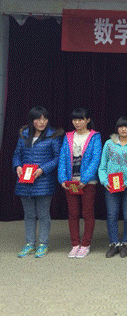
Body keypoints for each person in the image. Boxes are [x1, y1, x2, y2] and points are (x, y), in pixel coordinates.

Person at [13, 106, 63, 258]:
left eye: (44, 119)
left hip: (43, 182)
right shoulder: (24, 135)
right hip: (24, 182)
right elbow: (17, 154)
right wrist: (17, 166)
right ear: (32, 120)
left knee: (43, 214)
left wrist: (42, 169)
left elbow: (57, 158)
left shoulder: (53, 135)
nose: (42, 122)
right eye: (38, 119)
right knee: (29, 214)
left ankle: (43, 244)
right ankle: (29, 243)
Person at [57, 108, 102, 258]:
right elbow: (62, 158)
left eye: (81, 119)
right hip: (71, 181)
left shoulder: (94, 136)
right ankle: (75, 244)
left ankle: (86, 244)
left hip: (88, 182)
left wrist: (84, 179)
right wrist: (62, 179)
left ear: (87, 120)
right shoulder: (68, 136)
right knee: (73, 213)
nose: (77, 122)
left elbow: (96, 159)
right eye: (75, 120)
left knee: (87, 212)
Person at [98, 116, 127, 258]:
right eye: (120, 127)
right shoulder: (109, 143)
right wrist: (104, 181)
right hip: (111, 186)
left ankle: (126, 243)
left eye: (126, 127)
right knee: (112, 214)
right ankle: (113, 243)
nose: (123, 129)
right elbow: (102, 166)